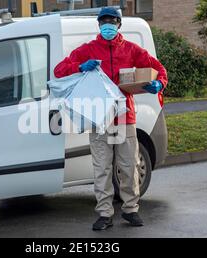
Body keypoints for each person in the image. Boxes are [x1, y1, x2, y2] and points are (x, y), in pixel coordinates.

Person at [54, 7, 168, 231]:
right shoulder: (88, 49)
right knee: (102, 168)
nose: (108, 25)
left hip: (125, 117)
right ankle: (105, 213)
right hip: (99, 119)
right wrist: (79, 66)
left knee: (129, 167)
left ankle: (131, 209)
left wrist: (159, 83)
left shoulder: (131, 49)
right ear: (99, 25)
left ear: (119, 25)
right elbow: (59, 70)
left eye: (112, 22)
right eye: (104, 22)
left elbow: (158, 68)